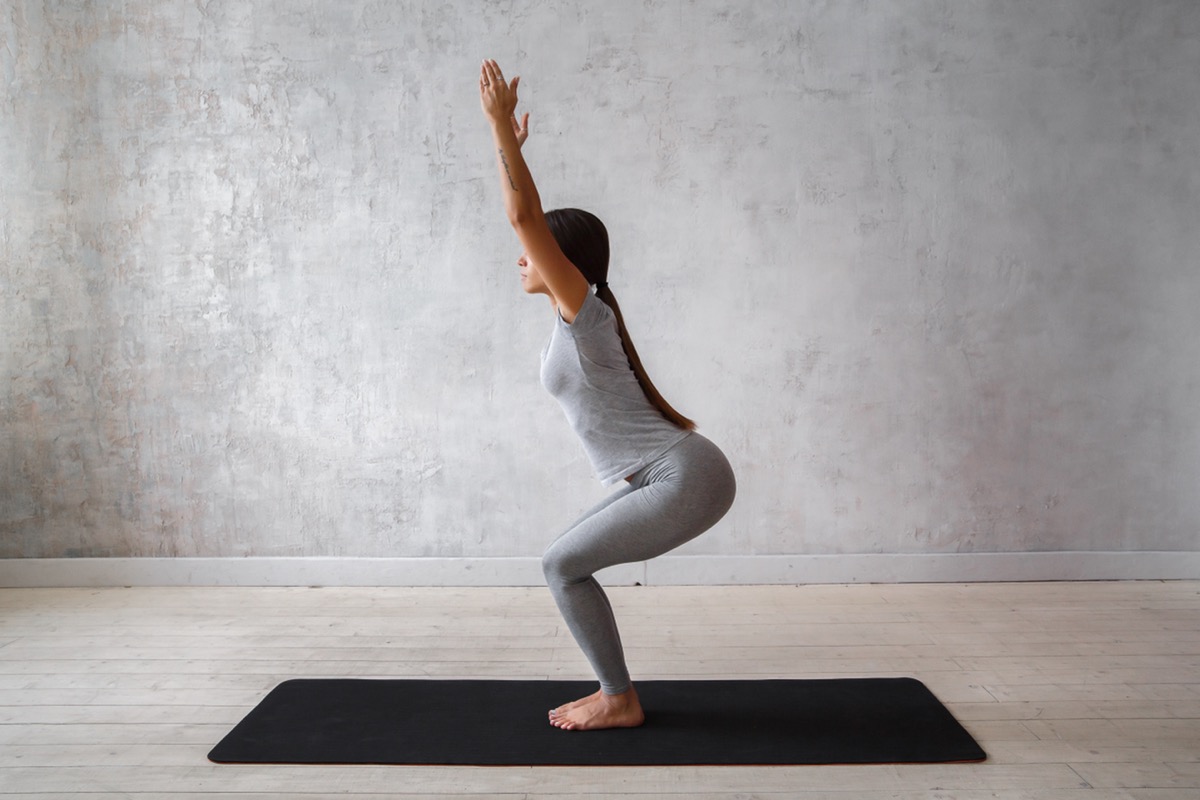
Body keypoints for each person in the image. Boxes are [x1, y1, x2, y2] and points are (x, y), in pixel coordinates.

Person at [478, 59, 736, 731]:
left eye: (534, 251)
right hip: (672, 471)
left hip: (684, 475)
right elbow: (527, 223)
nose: (520, 257)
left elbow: (523, 215)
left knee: (562, 565)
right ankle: (616, 692)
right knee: (560, 561)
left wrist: (501, 131)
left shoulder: (586, 313)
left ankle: (618, 698)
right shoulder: (575, 325)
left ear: (564, 261)